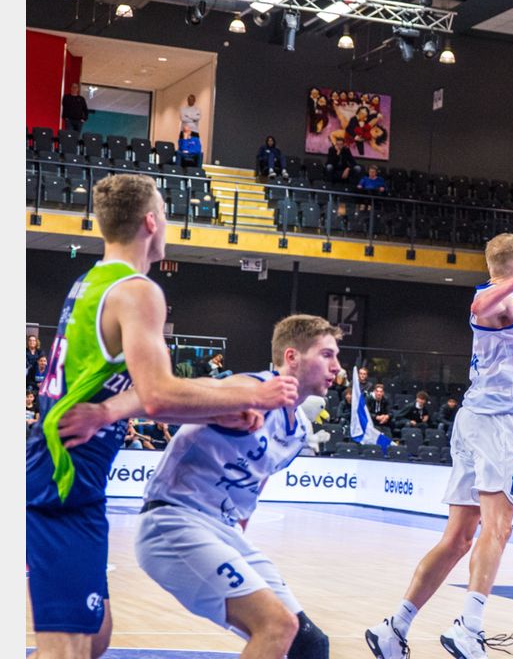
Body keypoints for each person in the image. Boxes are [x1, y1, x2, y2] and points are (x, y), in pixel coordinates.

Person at [26, 173, 298, 659]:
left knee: (97, 634)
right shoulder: (138, 291)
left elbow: (137, 391)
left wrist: (219, 405)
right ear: (151, 222)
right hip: (62, 480)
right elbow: (158, 396)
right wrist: (252, 395)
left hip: (73, 480)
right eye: (166, 215)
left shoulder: (91, 282)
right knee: (66, 648)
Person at [367, 150, 513, 659]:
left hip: (473, 420)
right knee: (500, 527)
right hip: (495, 424)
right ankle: (468, 626)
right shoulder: (499, 299)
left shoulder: (509, 285)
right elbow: (477, 305)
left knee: (458, 538)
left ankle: (394, 627)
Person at [134, 315, 342, 659]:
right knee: (277, 626)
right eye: (327, 355)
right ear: (291, 357)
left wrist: (237, 539)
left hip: (223, 531)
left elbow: (254, 487)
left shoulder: (299, 431)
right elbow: (160, 404)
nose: (337, 367)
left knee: (309, 643)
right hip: (174, 520)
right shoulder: (249, 388)